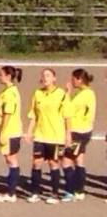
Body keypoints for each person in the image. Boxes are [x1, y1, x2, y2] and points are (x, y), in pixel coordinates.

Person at [24, 68, 70, 204]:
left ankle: (54, 194)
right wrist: (29, 132)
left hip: (56, 136)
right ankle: (34, 192)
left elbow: (67, 116)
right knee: (36, 162)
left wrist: (68, 135)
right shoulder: (37, 94)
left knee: (53, 163)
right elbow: (33, 115)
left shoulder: (61, 94)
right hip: (40, 135)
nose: (45, 78)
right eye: (43, 76)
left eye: (48, 75)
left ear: (54, 78)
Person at [60, 68, 95, 203]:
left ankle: (71, 190)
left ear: (80, 79)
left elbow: (68, 109)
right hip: (83, 131)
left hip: (77, 132)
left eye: (73, 79)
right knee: (79, 160)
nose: (72, 81)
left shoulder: (84, 95)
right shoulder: (85, 93)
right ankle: (79, 190)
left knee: (66, 161)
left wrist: (67, 94)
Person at [0, 66, 24, 203]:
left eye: (1, 75)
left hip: (10, 132)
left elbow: (7, 114)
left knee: (11, 160)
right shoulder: (10, 91)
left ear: (8, 76)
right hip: (12, 131)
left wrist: (2, 132)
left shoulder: (9, 94)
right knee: (11, 160)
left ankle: (11, 193)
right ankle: (11, 190)